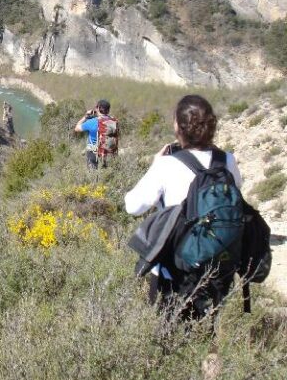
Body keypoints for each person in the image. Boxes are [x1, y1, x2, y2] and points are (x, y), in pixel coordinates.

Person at [124, 95, 243, 316]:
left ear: (179, 127)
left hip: (172, 273)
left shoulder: (167, 165)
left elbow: (133, 206)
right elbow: (237, 191)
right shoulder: (227, 160)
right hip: (217, 270)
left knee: (166, 337)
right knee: (207, 334)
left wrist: (154, 164)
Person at [74, 99, 113, 169]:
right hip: (108, 151)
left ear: (98, 108)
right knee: (106, 174)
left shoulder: (92, 122)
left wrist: (85, 116)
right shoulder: (113, 121)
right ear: (108, 110)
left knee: (92, 174)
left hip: (93, 150)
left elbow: (76, 128)